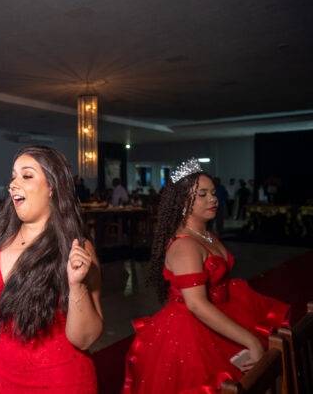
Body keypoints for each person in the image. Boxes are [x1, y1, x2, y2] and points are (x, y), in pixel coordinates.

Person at [122, 159, 289, 393]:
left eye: (212, 192)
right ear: (182, 202)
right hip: (191, 329)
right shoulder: (185, 245)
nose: (213, 199)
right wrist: (250, 341)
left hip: (223, 310)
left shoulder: (206, 234)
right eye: (202, 194)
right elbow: (197, 305)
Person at [0, 145, 103, 392]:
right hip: (4, 376)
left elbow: (86, 339)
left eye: (26, 176)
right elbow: (3, 296)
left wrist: (76, 284)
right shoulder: (4, 238)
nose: (13, 184)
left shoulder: (75, 248)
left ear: (52, 187)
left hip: (59, 380)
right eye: (13, 176)